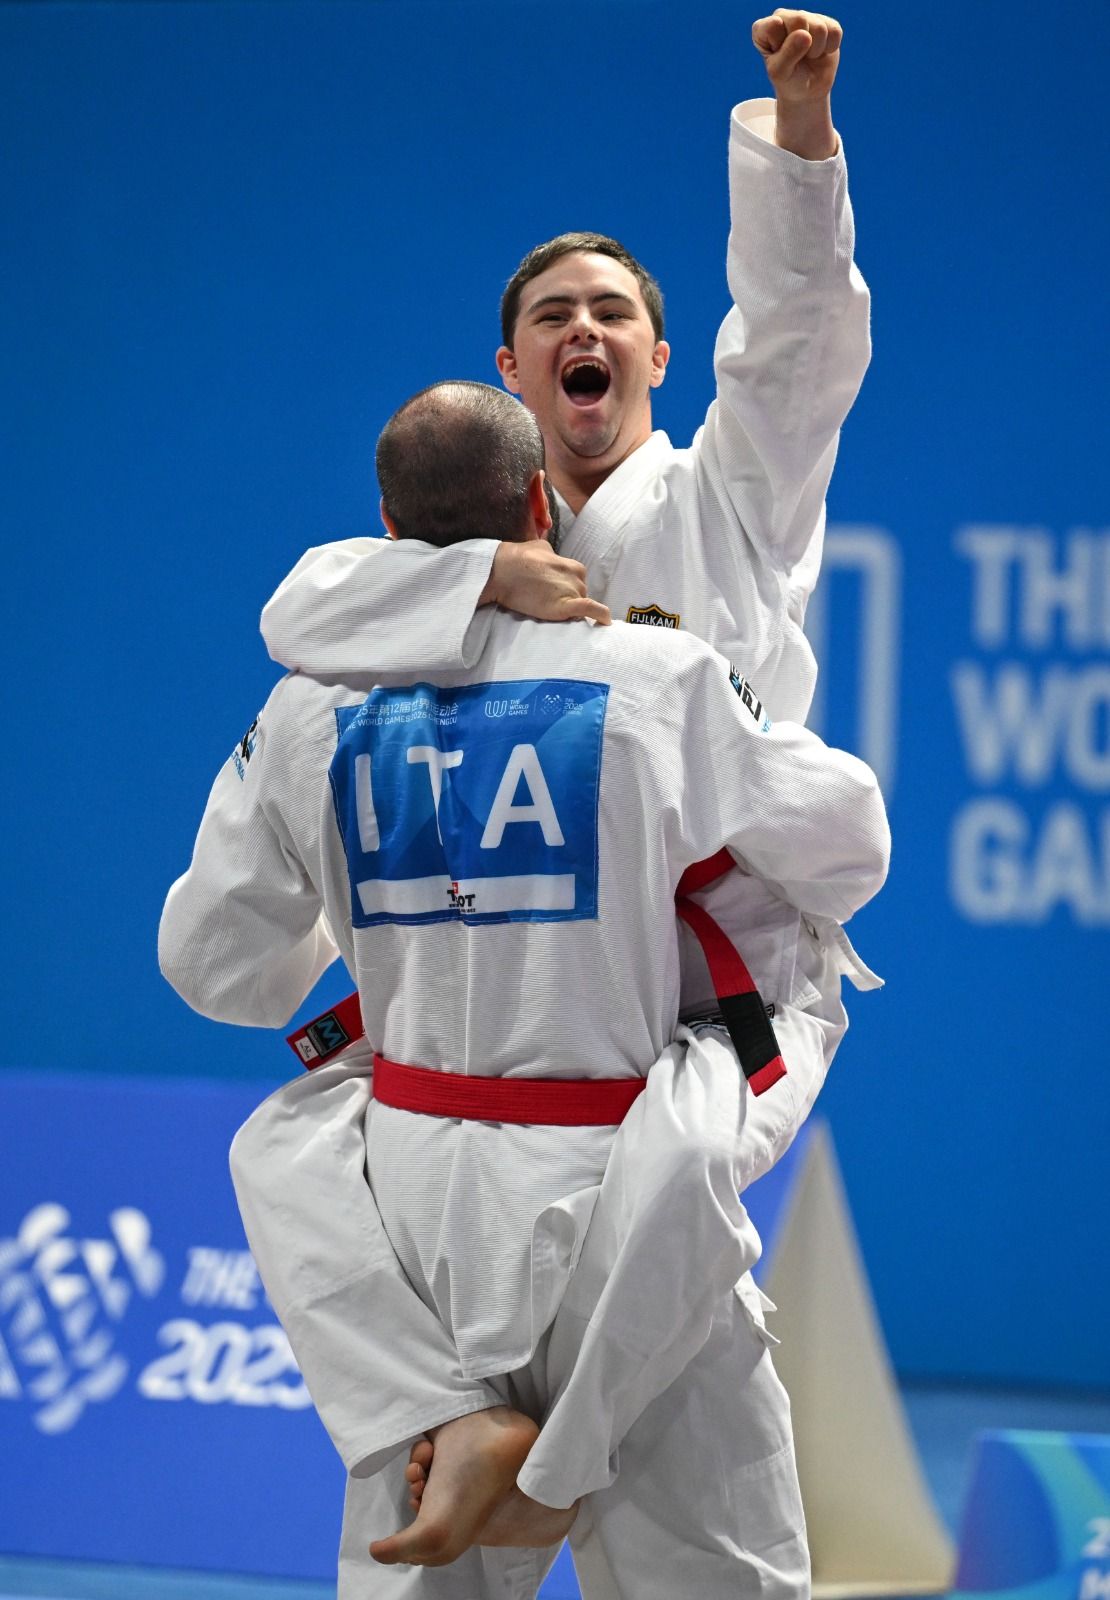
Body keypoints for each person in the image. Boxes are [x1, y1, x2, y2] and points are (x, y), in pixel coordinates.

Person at [229, 0, 877, 1525]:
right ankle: (451, 1420)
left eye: (610, 311)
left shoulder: (727, 498)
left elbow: (793, 341)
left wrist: (798, 140)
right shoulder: (446, 554)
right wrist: (477, 577)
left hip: (711, 978)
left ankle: (545, 1471)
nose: (583, 330)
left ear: (657, 353)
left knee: (674, 1182)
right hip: (517, 988)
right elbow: (300, 609)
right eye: (551, 317)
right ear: (510, 371)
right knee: (312, 1149)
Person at [161, 380, 890, 1600]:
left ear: (388, 536)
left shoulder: (303, 711)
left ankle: (460, 1426)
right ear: (542, 506)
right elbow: (849, 850)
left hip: (414, 1212)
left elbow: (218, 968)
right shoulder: (658, 673)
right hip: (625, 1192)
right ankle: (550, 1461)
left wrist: (390, 908)